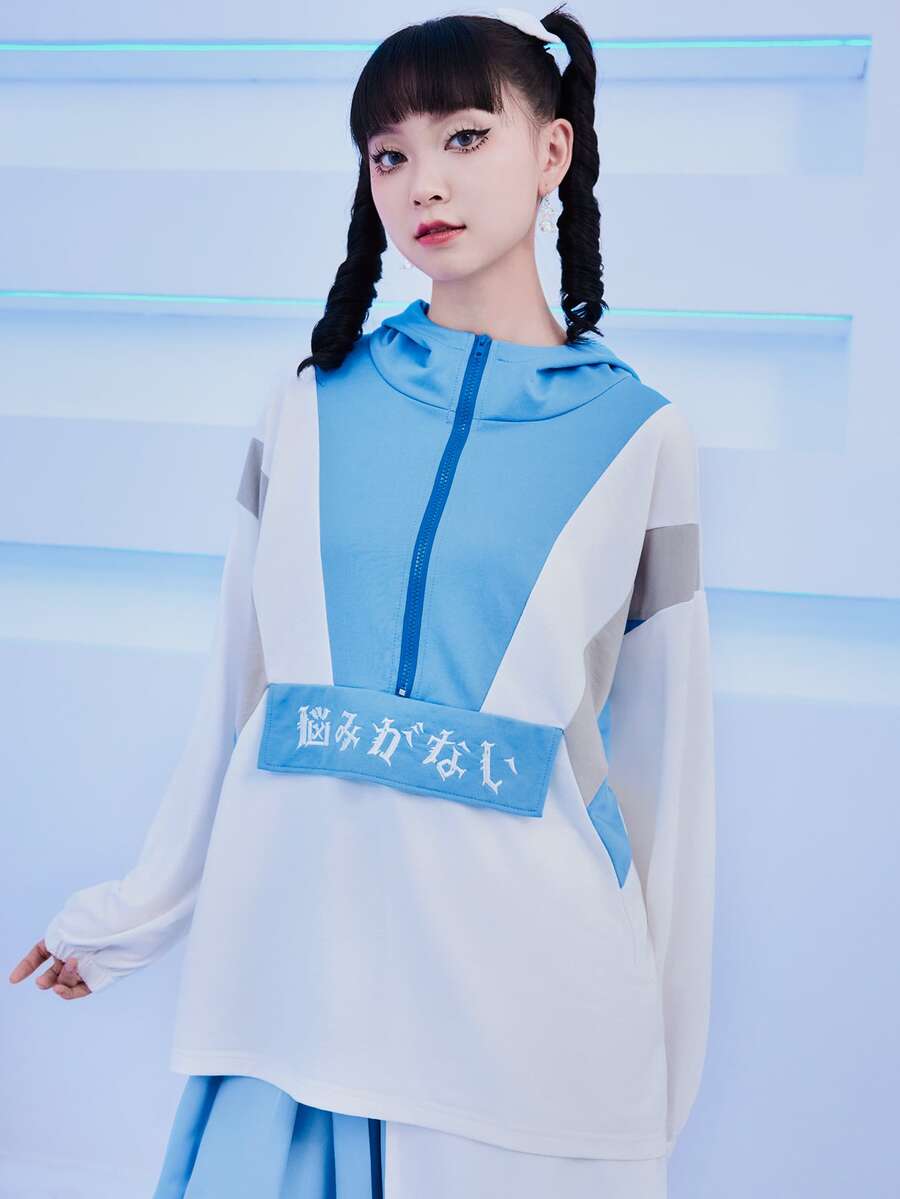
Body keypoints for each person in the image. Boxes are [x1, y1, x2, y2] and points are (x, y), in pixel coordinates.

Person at [9, 5, 716, 1196]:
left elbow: (666, 774)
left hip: (522, 1036)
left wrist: (652, 1087)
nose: (423, 181)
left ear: (553, 151)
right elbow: (239, 693)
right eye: (390, 154)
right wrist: (136, 912)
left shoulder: (640, 436)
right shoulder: (307, 406)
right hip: (289, 1006)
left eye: (465, 137)